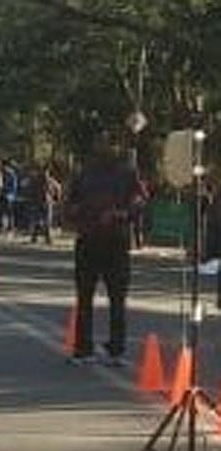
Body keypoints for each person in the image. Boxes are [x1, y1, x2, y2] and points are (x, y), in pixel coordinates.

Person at [66, 131, 140, 367]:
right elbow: (69, 203)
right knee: (86, 296)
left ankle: (114, 349)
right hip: (89, 240)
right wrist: (77, 212)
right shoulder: (84, 173)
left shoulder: (127, 173)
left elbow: (138, 202)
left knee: (116, 298)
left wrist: (121, 214)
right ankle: (84, 348)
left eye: (108, 144)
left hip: (115, 242)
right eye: (100, 144)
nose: (104, 148)